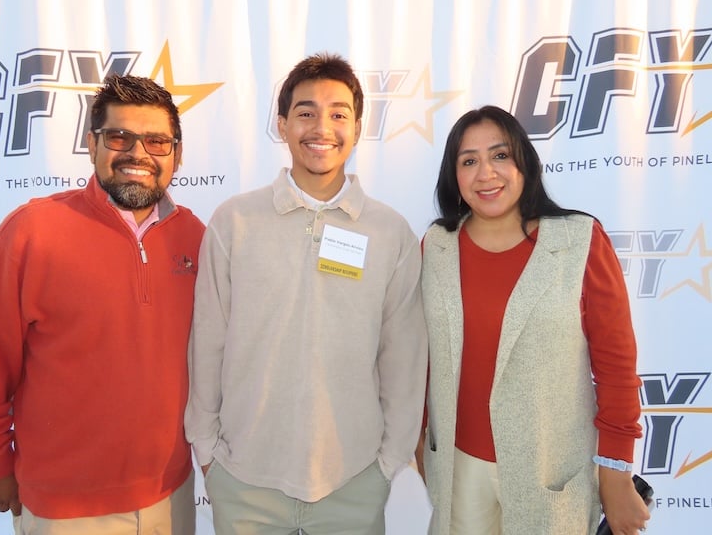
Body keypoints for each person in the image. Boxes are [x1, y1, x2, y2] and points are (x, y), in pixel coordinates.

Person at [0, 74, 204, 535]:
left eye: (157, 141)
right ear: (92, 144)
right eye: (120, 136)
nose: (138, 153)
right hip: (66, 506)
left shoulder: (195, 237)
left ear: (176, 154)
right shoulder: (32, 232)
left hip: (171, 494)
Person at [185, 52, 427, 534]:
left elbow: (404, 356)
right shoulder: (235, 222)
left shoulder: (389, 232)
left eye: (339, 114)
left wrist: (386, 463)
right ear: (282, 124)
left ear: (357, 128)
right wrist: (208, 451)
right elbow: (207, 343)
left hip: (353, 483)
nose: (322, 127)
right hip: (244, 481)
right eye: (306, 112)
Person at [420, 105, 650, 535]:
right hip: (459, 467)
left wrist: (615, 472)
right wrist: (419, 438)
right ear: (454, 177)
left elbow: (616, 367)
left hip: (551, 472)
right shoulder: (436, 246)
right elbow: (423, 356)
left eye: (500, 155)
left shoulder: (580, 240)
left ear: (525, 162)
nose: (486, 173)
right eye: (469, 161)